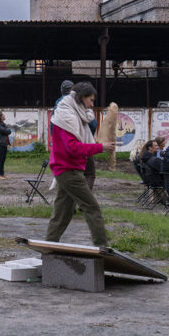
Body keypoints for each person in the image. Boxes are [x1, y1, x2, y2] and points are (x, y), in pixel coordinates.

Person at [45, 82, 115, 247]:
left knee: (63, 213)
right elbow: (73, 148)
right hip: (67, 170)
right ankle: (102, 248)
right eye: (90, 100)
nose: (91, 105)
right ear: (81, 98)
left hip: (68, 168)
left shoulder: (75, 113)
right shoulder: (66, 117)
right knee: (92, 208)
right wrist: (100, 147)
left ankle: (49, 246)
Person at [0, 110, 11, 180]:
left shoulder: (2, 123)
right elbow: (5, 131)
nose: (4, 116)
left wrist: (7, 130)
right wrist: (7, 130)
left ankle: (2, 174)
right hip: (0, 143)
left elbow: (9, 131)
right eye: (3, 115)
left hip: (4, 144)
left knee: (3, 159)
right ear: (0, 116)